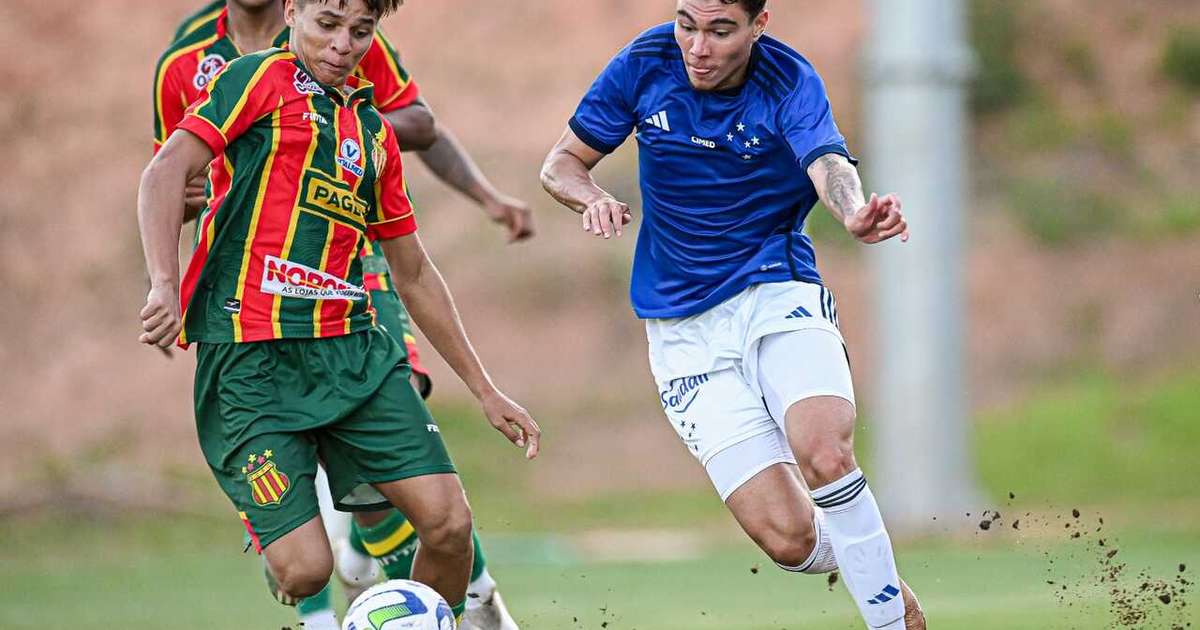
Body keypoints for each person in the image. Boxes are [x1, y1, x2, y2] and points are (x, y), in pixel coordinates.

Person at [137, 1, 541, 627]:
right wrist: (164, 283)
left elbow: (412, 271)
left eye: (360, 31)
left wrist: (485, 391)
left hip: (351, 352)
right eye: (327, 24)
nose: (342, 44)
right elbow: (165, 171)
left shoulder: (372, 130)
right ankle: (286, 536)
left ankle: (438, 614)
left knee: (449, 524)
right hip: (250, 358)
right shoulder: (252, 78)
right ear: (292, 9)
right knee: (304, 573)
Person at [540, 1, 925, 628]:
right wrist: (592, 196)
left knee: (825, 451)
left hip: (775, 290)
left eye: (720, 31)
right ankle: (879, 573)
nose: (698, 46)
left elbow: (827, 162)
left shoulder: (788, 80)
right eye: (687, 24)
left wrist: (853, 211)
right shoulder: (644, 62)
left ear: (758, 24)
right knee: (789, 540)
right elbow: (560, 164)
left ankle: (888, 621)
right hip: (681, 330)